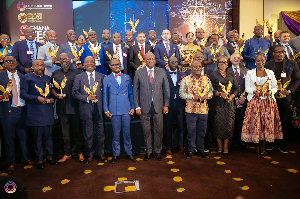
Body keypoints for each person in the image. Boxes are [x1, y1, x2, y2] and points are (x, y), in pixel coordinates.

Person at [241, 52, 283, 155]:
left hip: (268, 101)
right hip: (255, 101)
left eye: (262, 60)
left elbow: (275, 87)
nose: (260, 62)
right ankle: (256, 145)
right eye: (258, 60)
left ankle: (264, 146)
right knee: (256, 123)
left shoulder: (270, 72)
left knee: (266, 123)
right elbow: (247, 88)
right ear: (255, 62)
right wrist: (254, 92)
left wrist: (270, 92)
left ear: (265, 61)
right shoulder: (250, 73)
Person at [133, 52, 170, 161]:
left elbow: (166, 90)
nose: (150, 61)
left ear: (155, 60)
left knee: (159, 129)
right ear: (144, 60)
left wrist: (166, 105)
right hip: (144, 106)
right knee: (146, 130)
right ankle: (148, 151)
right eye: (148, 59)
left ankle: (158, 151)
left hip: (158, 106)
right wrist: (137, 107)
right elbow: (135, 91)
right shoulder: (139, 73)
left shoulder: (161, 72)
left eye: (152, 59)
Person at [20, 59, 56, 169]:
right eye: (37, 65)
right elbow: (23, 94)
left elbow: (52, 91)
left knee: (49, 137)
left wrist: (52, 99)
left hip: (47, 111)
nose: (39, 67)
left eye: (41, 65)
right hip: (35, 112)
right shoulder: (27, 78)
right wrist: (37, 98)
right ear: (33, 67)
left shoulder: (48, 78)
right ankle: (39, 159)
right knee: (37, 138)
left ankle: (49, 157)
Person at [265, 45, 300, 153]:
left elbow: (297, 80)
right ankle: (271, 142)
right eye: (278, 52)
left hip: (285, 97)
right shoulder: (268, 64)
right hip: (271, 97)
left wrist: (288, 91)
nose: (280, 54)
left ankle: (281, 143)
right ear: (273, 53)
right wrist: (271, 92)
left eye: (283, 52)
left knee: (284, 120)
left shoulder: (292, 64)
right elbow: (264, 80)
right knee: (271, 119)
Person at [0, 55, 32, 173]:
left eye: (13, 60)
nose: (11, 62)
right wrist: (1, 97)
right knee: (9, 139)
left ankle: (25, 158)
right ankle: (11, 163)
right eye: (7, 61)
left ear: (17, 63)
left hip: (22, 110)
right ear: (4, 64)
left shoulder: (22, 77)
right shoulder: (0, 76)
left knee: (23, 136)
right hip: (8, 111)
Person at [72, 56, 106, 164]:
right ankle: (90, 154)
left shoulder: (102, 76)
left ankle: (101, 153)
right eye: (87, 62)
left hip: (99, 109)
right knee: (88, 133)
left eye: (92, 62)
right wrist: (86, 98)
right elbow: (74, 93)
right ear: (84, 64)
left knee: (101, 133)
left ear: (95, 64)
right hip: (86, 108)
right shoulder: (79, 77)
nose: (90, 63)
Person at [51, 53, 84, 162]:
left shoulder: (77, 73)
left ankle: (79, 152)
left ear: (70, 60)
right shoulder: (55, 74)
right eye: (61, 59)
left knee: (77, 131)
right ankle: (67, 153)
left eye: (66, 58)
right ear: (59, 61)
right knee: (64, 133)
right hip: (62, 108)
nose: (64, 60)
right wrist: (56, 95)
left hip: (75, 107)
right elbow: (51, 88)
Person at [103, 58, 136, 163]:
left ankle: (129, 153)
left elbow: (131, 94)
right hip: (114, 110)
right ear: (110, 66)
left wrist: (132, 107)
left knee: (127, 133)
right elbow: (105, 96)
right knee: (116, 134)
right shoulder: (106, 79)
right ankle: (116, 154)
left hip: (126, 109)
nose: (116, 66)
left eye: (118, 64)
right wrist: (106, 110)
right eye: (114, 65)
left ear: (121, 65)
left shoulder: (127, 77)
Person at [179, 60, 213, 159]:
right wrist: (192, 97)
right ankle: (191, 150)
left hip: (203, 110)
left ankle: (200, 149)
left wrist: (206, 96)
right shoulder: (186, 80)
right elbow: (182, 94)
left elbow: (211, 92)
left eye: (199, 66)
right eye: (195, 67)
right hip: (190, 110)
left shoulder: (206, 79)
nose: (197, 68)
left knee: (202, 131)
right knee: (191, 131)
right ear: (191, 68)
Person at [210, 56, 239, 155]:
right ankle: (219, 146)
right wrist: (219, 94)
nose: (223, 64)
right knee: (218, 125)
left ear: (227, 64)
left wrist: (231, 96)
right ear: (217, 63)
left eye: (225, 62)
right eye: (221, 62)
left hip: (229, 103)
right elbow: (210, 89)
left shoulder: (231, 74)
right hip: (218, 103)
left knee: (229, 125)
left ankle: (226, 146)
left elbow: (236, 88)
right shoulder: (213, 75)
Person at [164, 56, 186, 155]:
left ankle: (181, 145)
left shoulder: (183, 75)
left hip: (180, 104)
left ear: (178, 63)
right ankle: (168, 146)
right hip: (168, 104)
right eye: (171, 62)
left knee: (181, 125)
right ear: (168, 63)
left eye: (175, 62)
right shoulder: (164, 75)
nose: (173, 63)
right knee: (168, 126)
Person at [228, 53, 248, 145]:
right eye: (234, 58)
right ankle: (231, 141)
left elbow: (250, 85)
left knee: (242, 120)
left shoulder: (246, 71)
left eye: (238, 58)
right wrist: (234, 97)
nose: (236, 59)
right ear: (230, 60)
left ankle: (242, 141)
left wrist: (244, 96)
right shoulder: (227, 71)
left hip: (244, 100)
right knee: (231, 121)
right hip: (231, 99)